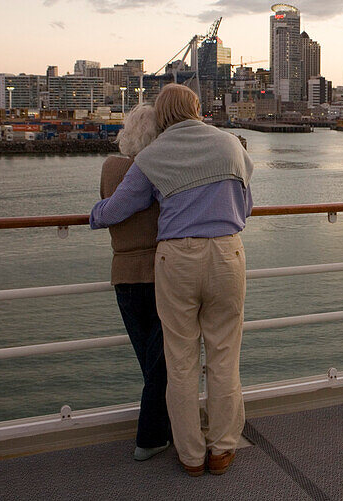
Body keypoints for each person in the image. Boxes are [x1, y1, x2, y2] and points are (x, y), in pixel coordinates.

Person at [90, 84, 253, 477]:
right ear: (197, 108)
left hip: (177, 259)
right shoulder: (231, 145)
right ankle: (222, 448)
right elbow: (245, 206)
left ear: (162, 115)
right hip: (227, 253)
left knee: (179, 360)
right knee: (224, 356)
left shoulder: (152, 156)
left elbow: (117, 209)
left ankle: (191, 455)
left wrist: (94, 214)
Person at [99, 103, 172, 461]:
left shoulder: (111, 167)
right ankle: (151, 437)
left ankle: (164, 430)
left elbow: (110, 209)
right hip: (162, 272)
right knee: (164, 363)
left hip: (124, 275)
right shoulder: (161, 169)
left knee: (150, 361)